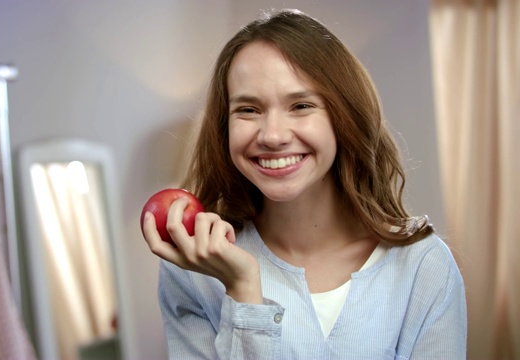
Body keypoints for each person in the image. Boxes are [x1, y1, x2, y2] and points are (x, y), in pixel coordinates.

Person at [142, 8, 467, 359]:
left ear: (344, 117)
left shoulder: (424, 267)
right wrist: (242, 290)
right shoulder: (194, 270)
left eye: (300, 105)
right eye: (248, 110)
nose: (272, 136)